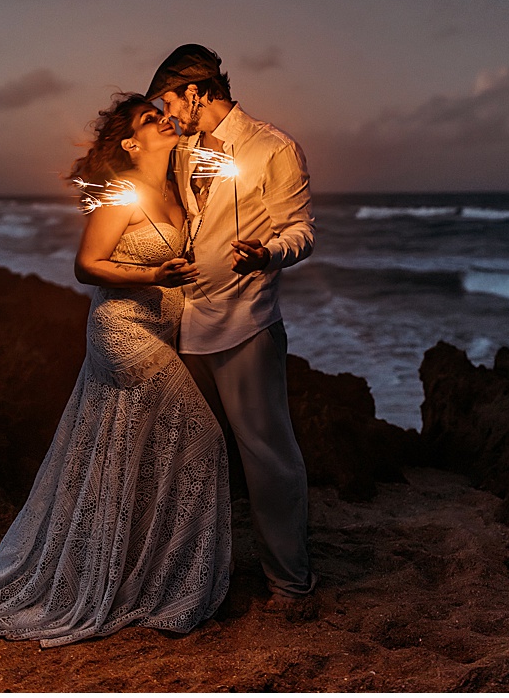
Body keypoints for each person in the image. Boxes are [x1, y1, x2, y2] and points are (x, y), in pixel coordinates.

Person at [0, 95, 230, 644]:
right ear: (130, 143)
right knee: (204, 438)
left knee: (134, 451)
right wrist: (154, 278)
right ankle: (164, 583)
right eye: (153, 119)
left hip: (161, 330)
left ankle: (134, 574)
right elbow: (86, 266)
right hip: (123, 332)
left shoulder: (176, 189)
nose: (167, 120)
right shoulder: (121, 193)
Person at [144, 44, 316, 611]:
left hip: (245, 321)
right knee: (188, 455)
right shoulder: (179, 149)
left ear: (196, 93)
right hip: (180, 319)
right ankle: (193, 579)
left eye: (170, 101)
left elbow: (301, 232)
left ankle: (290, 583)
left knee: (266, 456)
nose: (168, 115)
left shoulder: (274, 148)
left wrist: (267, 252)